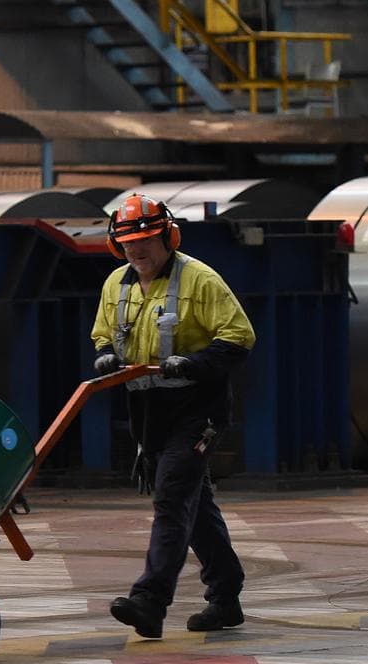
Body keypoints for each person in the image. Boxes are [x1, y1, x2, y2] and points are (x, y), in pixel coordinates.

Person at [90, 193, 256, 638]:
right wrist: (105, 355)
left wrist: (194, 363)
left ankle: (150, 600)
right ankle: (226, 596)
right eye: (128, 243)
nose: (137, 250)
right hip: (149, 413)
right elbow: (103, 334)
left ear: (168, 237)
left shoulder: (200, 280)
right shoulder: (116, 285)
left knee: (172, 496)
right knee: (193, 506)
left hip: (198, 409)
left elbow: (239, 337)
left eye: (146, 240)